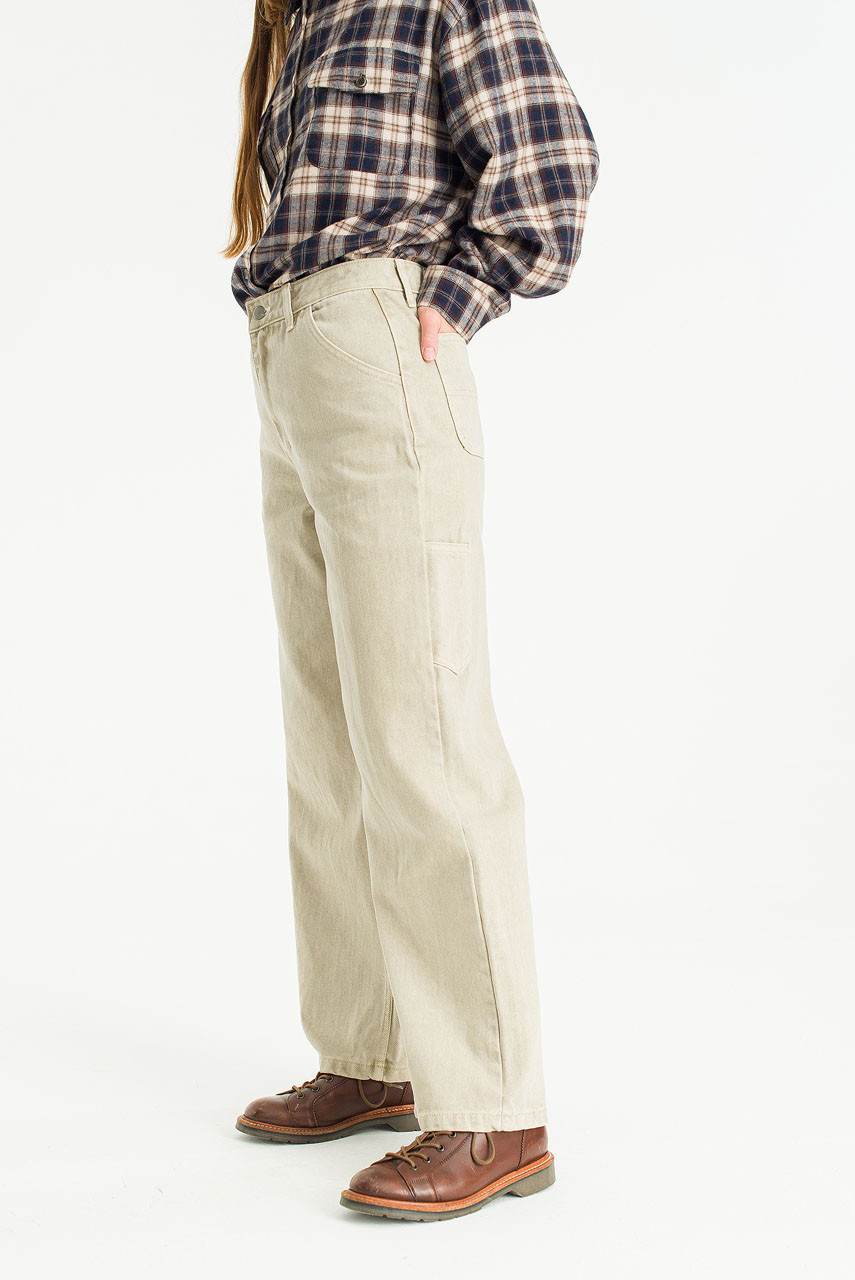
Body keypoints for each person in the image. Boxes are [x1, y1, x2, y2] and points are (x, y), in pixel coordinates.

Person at [223, 0, 599, 1221]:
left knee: (423, 729)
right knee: (330, 737)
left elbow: (552, 157)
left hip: (379, 341)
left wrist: (461, 293)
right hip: (289, 351)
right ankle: (373, 1047)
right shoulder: (303, 20)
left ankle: (496, 1109)